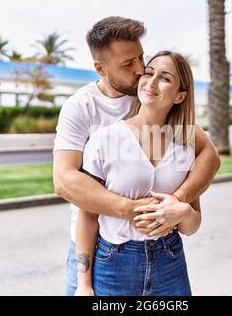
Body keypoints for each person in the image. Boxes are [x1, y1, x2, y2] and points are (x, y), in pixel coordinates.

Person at [52, 16, 220, 296]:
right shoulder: (81, 109)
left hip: (167, 256)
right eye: (128, 64)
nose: (141, 70)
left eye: (141, 58)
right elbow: (65, 181)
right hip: (101, 249)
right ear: (100, 68)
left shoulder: (159, 107)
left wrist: (178, 203)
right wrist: (136, 211)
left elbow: (209, 157)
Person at [75, 51, 202, 296]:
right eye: (149, 73)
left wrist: (184, 211)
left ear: (180, 96)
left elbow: (191, 226)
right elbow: (88, 217)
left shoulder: (185, 146)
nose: (151, 82)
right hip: (114, 263)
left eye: (165, 78)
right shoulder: (106, 139)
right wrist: (84, 285)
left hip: (170, 261)